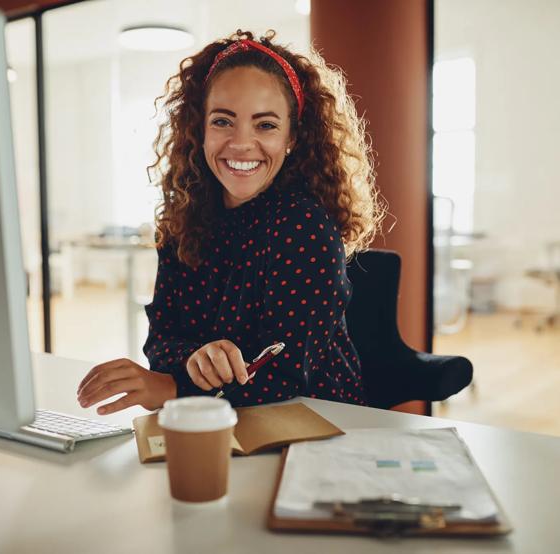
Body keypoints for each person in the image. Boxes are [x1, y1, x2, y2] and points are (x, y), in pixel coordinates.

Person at [77, 29, 383, 414]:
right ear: (199, 129)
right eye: (223, 121)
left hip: (316, 422)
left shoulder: (304, 223)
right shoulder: (184, 219)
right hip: (220, 420)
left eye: (266, 125)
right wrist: (194, 359)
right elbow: (162, 340)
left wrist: (174, 387)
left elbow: (285, 375)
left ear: (292, 137)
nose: (241, 143)